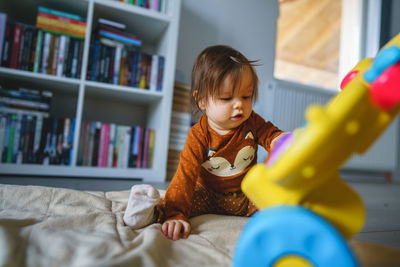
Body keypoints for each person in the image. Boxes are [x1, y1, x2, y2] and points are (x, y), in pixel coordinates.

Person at [123, 45, 285, 241]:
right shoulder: (198, 135)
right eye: (226, 98)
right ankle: (148, 212)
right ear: (201, 100)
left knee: (271, 196)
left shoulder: (252, 122)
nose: (239, 104)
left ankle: (276, 219)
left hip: (245, 194)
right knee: (179, 198)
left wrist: (280, 141)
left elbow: (271, 135)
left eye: (246, 96)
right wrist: (176, 215)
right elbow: (185, 175)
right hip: (207, 195)